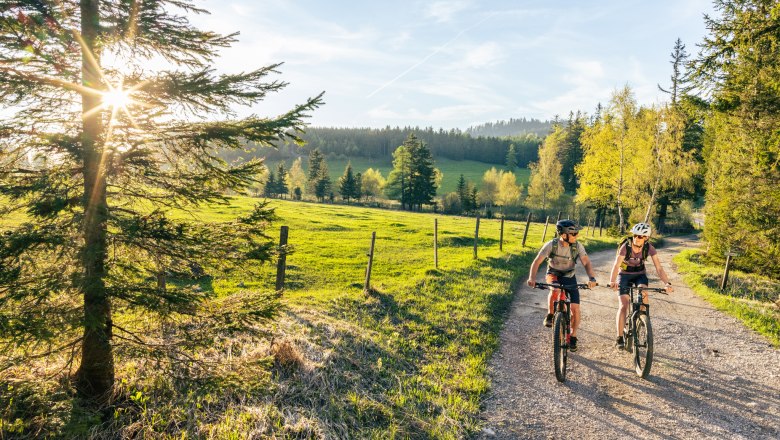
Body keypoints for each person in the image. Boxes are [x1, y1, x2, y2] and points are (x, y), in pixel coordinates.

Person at [527, 219, 598, 352]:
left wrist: (592, 278)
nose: (576, 236)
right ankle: (550, 314)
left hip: (569, 276)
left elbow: (587, 263)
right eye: (574, 233)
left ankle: (573, 336)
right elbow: (537, 262)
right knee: (555, 290)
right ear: (564, 234)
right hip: (553, 274)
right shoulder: (551, 245)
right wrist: (532, 278)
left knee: (575, 309)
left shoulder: (577, 246)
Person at [608, 222, 673, 349]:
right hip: (624, 275)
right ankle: (619, 337)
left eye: (641, 236)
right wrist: (612, 281)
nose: (637, 238)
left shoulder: (649, 248)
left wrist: (667, 283)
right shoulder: (625, 247)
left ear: (646, 238)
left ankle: (643, 320)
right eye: (635, 235)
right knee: (623, 305)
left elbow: (659, 268)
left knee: (643, 294)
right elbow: (616, 265)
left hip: (639, 275)